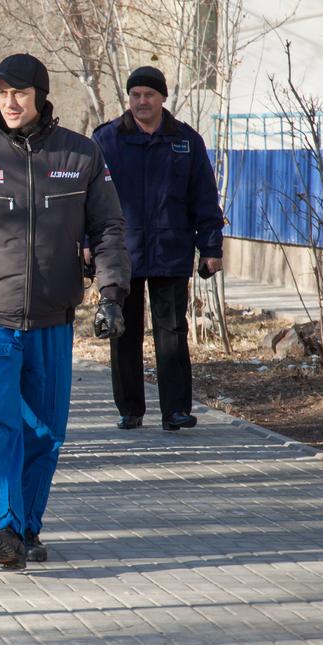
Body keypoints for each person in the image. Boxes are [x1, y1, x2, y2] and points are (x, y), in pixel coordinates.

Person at [0, 53, 130, 570]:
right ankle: (5, 527)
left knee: (44, 431)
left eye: (19, 93)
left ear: (40, 95)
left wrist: (111, 295)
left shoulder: (80, 155)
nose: (10, 102)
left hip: (52, 316)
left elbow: (108, 228)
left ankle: (28, 525)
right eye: (2, 94)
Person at [92, 66, 224, 432]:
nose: (141, 101)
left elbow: (204, 197)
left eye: (149, 94)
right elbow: (88, 199)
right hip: (123, 254)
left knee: (172, 332)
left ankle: (176, 410)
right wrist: (87, 245)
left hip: (170, 250)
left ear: (163, 98)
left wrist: (210, 245)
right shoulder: (108, 140)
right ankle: (130, 409)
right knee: (124, 331)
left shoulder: (185, 140)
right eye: (135, 94)